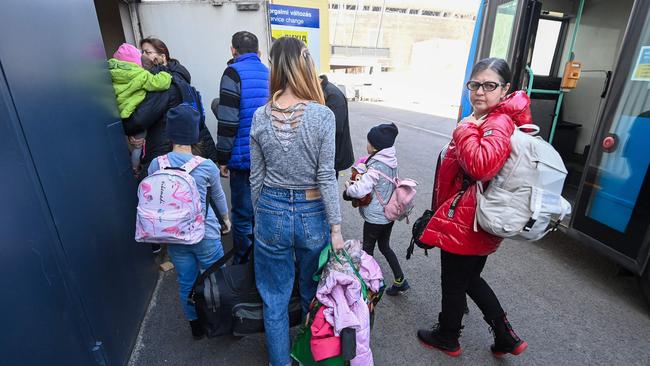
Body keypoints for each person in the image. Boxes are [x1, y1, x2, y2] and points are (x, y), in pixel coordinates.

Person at [417, 58, 530, 358]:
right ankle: (506, 336)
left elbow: (481, 166)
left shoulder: (496, 122)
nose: (480, 91)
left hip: (468, 220)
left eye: (490, 85)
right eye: (475, 84)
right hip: (475, 216)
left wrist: (464, 129)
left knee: (453, 282)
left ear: (505, 90)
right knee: (469, 280)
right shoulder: (488, 119)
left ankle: (447, 336)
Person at [249, 36, 344, 366]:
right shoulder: (322, 115)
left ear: (274, 68)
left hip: (271, 209)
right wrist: (336, 228)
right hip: (313, 213)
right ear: (306, 65)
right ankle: (308, 358)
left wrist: (260, 219)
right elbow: (326, 176)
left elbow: (256, 178)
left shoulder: (261, 116)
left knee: (273, 299)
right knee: (312, 295)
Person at [122, 38, 220, 254]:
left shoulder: (165, 84)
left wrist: (123, 124)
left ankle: (169, 245)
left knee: (167, 206)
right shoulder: (181, 79)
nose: (143, 56)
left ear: (162, 56)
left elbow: (139, 119)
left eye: (147, 52)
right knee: (189, 203)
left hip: (166, 151)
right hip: (186, 151)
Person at [146, 102, 231, 340]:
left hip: (174, 235)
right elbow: (218, 197)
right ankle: (220, 320)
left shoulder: (156, 164)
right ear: (195, 134)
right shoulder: (205, 166)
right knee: (216, 278)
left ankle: (196, 325)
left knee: (186, 281)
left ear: (170, 133)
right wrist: (226, 219)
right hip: (206, 233)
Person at [215, 31, 269, 264]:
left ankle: (244, 266)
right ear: (258, 52)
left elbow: (228, 120)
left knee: (243, 215)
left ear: (233, 50)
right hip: (267, 157)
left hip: (242, 158)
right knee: (264, 213)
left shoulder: (232, 72)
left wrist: (223, 157)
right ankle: (264, 260)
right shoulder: (270, 74)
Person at [343, 122, 409, 295]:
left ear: (375, 147)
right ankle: (399, 279)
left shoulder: (376, 167)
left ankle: (366, 287)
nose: (367, 145)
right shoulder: (390, 160)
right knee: (385, 246)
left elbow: (361, 189)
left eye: (369, 142)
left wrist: (348, 190)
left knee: (367, 251)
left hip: (376, 217)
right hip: (388, 214)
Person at [108, 43, 171, 174]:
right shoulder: (140, 75)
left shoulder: (111, 75)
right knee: (139, 144)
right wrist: (165, 72)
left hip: (121, 115)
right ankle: (135, 167)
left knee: (130, 142)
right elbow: (160, 83)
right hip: (135, 112)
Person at [320, 75, 354, 177]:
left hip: (332, 157)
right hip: (325, 157)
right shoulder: (321, 91)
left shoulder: (333, 95)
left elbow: (335, 128)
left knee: (328, 187)